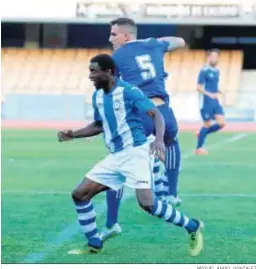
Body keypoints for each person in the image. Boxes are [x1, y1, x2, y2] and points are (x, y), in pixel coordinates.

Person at [58, 54, 204, 257]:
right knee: (80, 194)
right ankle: (94, 243)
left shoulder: (129, 91)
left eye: (94, 71)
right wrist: (73, 134)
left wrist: (159, 139)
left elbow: (156, 114)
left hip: (136, 153)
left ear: (108, 72)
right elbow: (99, 124)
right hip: (115, 156)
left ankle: (192, 226)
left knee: (148, 204)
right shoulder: (98, 96)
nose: (90, 76)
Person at [102, 17, 184, 240]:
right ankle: (172, 192)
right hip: (164, 112)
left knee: (117, 164)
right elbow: (180, 41)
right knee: (171, 141)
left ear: (126, 36)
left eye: (114, 34)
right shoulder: (153, 45)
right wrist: (156, 41)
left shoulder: (116, 58)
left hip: (139, 116)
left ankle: (111, 223)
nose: (110, 39)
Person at [195, 49, 225, 155]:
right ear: (208, 57)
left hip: (215, 100)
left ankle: (202, 132)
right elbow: (199, 87)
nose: (214, 58)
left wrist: (218, 91)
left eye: (216, 57)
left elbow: (213, 86)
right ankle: (199, 148)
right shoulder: (204, 70)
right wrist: (209, 94)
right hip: (206, 101)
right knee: (207, 124)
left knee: (221, 123)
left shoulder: (217, 71)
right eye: (212, 56)